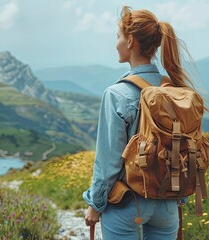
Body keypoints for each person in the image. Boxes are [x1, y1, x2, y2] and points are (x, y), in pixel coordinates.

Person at [83, 6, 202, 240]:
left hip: (129, 202)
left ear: (130, 41)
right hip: (168, 203)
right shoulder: (176, 91)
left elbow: (108, 162)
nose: (116, 43)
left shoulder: (117, 94)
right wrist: (179, 196)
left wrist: (95, 205)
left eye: (117, 37)